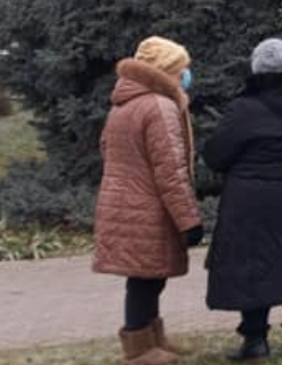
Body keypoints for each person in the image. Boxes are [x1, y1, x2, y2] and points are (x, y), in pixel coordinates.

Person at [202, 39, 282, 361]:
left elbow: (216, 154)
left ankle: (255, 340)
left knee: (251, 264)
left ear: (256, 67)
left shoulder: (245, 108)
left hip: (249, 198)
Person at [93, 36, 204, 365]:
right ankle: (139, 349)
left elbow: (105, 149)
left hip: (124, 200)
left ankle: (153, 340)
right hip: (147, 205)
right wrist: (189, 220)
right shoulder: (160, 106)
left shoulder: (124, 103)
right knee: (145, 279)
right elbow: (170, 168)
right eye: (182, 69)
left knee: (148, 275)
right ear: (168, 71)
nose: (186, 75)